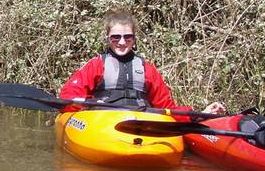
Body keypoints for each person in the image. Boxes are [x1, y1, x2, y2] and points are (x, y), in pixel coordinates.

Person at [59, 8, 224, 115]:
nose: (122, 42)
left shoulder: (147, 69)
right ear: (108, 38)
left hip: (139, 121)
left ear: (134, 38)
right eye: (116, 37)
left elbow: (166, 106)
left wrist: (200, 114)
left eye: (127, 37)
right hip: (104, 119)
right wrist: (88, 104)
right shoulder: (96, 65)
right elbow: (69, 95)